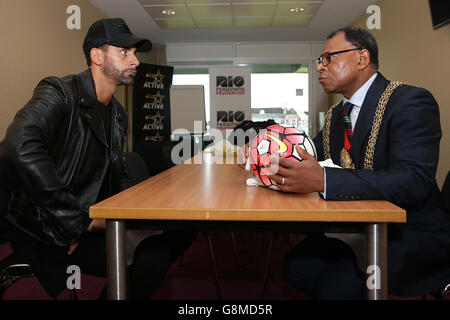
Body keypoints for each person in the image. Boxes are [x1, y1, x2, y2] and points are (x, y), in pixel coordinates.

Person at [0, 18, 196, 299]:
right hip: (48, 227)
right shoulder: (59, 92)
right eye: (124, 52)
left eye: (135, 53)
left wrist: (141, 207)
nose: (135, 61)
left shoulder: (118, 115)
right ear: (96, 56)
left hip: (90, 219)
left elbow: (116, 176)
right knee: (152, 259)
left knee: (180, 230)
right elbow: (18, 145)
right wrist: (76, 220)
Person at [269, 27, 450, 299]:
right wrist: (266, 150)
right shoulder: (337, 114)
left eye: (328, 58)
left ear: (361, 58)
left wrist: (325, 180)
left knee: (334, 288)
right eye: (320, 61)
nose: (320, 67)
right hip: (358, 226)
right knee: (296, 267)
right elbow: (307, 152)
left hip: (409, 231)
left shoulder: (410, 101)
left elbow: (413, 181)